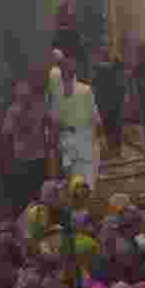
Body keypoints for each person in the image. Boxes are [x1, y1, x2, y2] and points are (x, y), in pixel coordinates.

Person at [1, 78, 58, 220]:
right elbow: (6, 134)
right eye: (20, 91)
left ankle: (44, 223)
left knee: (41, 197)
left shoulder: (40, 107)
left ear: (31, 92)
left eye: (26, 90)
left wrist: (51, 139)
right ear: (16, 93)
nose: (23, 94)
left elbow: (52, 123)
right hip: (21, 162)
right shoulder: (12, 111)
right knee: (23, 200)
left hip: (39, 159)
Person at [48, 53, 101, 188]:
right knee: (72, 183)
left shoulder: (85, 90)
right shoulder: (56, 93)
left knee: (83, 185)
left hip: (82, 142)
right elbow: (54, 122)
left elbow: (96, 120)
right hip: (68, 142)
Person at [92, 43, 127, 161]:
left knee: (114, 128)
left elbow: (120, 82)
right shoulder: (101, 68)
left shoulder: (106, 68)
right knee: (110, 128)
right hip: (107, 103)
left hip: (112, 103)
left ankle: (115, 151)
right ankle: (113, 151)